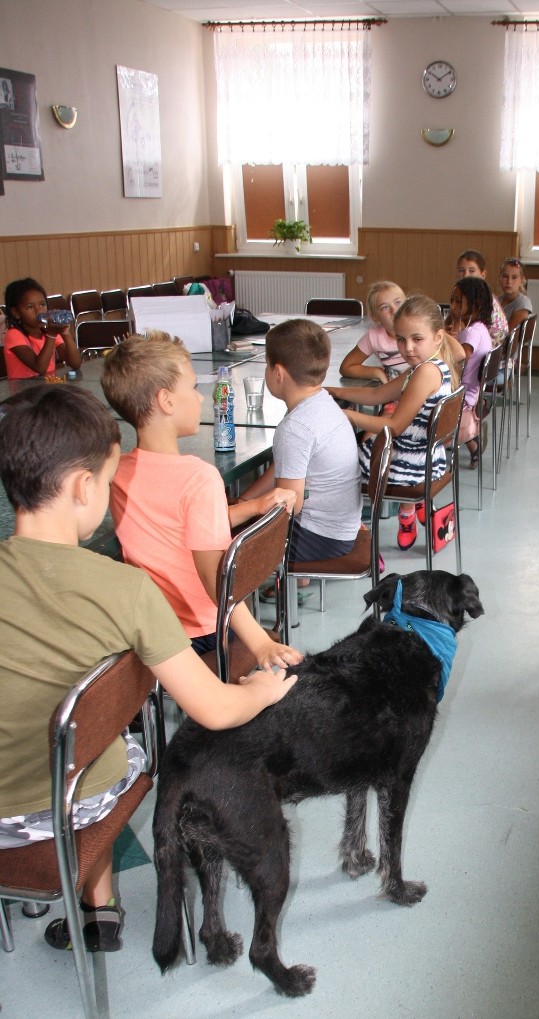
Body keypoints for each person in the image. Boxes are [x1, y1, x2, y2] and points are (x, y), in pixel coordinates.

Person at [0, 386, 298, 953]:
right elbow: (213, 707)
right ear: (84, 487)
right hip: (70, 807)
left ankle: (95, 903)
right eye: (110, 482)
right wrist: (263, 688)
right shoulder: (127, 589)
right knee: (107, 747)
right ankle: (98, 903)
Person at [101, 331, 302, 666]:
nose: (200, 398)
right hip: (206, 631)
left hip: (152, 632)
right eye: (193, 388)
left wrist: (253, 506)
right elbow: (214, 578)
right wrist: (260, 642)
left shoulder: (115, 473)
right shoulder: (199, 478)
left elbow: (179, 524)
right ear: (166, 401)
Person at [327, 295, 462, 551]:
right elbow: (378, 395)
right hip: (427, 457)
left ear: (438, 337)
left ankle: (351, 533)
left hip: (410, 463)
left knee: (333, 465)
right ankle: (386, 519)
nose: (407, 347)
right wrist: (335, 391)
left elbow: (395, 427)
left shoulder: (424, 373)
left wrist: (349, 416)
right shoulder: (429, 366)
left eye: (416, 339)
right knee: (360, 442)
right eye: (401, 339)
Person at [236, 319, 363, 568]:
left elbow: (288, 506)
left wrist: (243, 515)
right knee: (242, 514)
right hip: (340, 528)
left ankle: (249, 595)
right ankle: (297, 578)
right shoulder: (322, 403)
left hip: (321, 538)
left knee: (224, 541)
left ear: (278, 373)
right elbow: (285, 469)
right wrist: (245, 500)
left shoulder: (295, 428)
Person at [448, 276, 495, 468]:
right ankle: (473, 441)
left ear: (475, 305)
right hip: (473, 392)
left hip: (462, 395)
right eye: (452, 299)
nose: (453, 305)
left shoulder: (471, 332)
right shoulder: (481, 328)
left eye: (459, 301)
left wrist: (449, 335)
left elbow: (460, 357)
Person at [3, 277, 81, 379]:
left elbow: (75, 363)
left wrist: (66, 334)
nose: (39, 311)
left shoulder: (47, 331)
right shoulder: (14, 335)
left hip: (44, 387)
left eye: (42, 305)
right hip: (23, 392)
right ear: (16, 313)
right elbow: (40, 368)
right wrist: (51, 335)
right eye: (30, 307)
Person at [339, 281, 408, 383]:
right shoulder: (374, 337)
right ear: (375, 317)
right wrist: (377, 372)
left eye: (398, 302)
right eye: (385, 307)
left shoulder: (423, 331)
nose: (394, 310)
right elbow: (346, 367)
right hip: (395, 394)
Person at [455, 249, 508, 342]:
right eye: (461, 270)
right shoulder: (483, 292)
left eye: (471, 271)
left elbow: (459, 323)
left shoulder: (479, 298)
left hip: (488, 351)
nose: (466, 275)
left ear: (483, 275)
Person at [498, 258, 533, 334]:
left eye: (514, 277)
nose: (509, 281)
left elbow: (510, 336)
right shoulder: (497, 300)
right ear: (499, 278)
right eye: (505, 276)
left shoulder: (523, 303)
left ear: (521, 280)